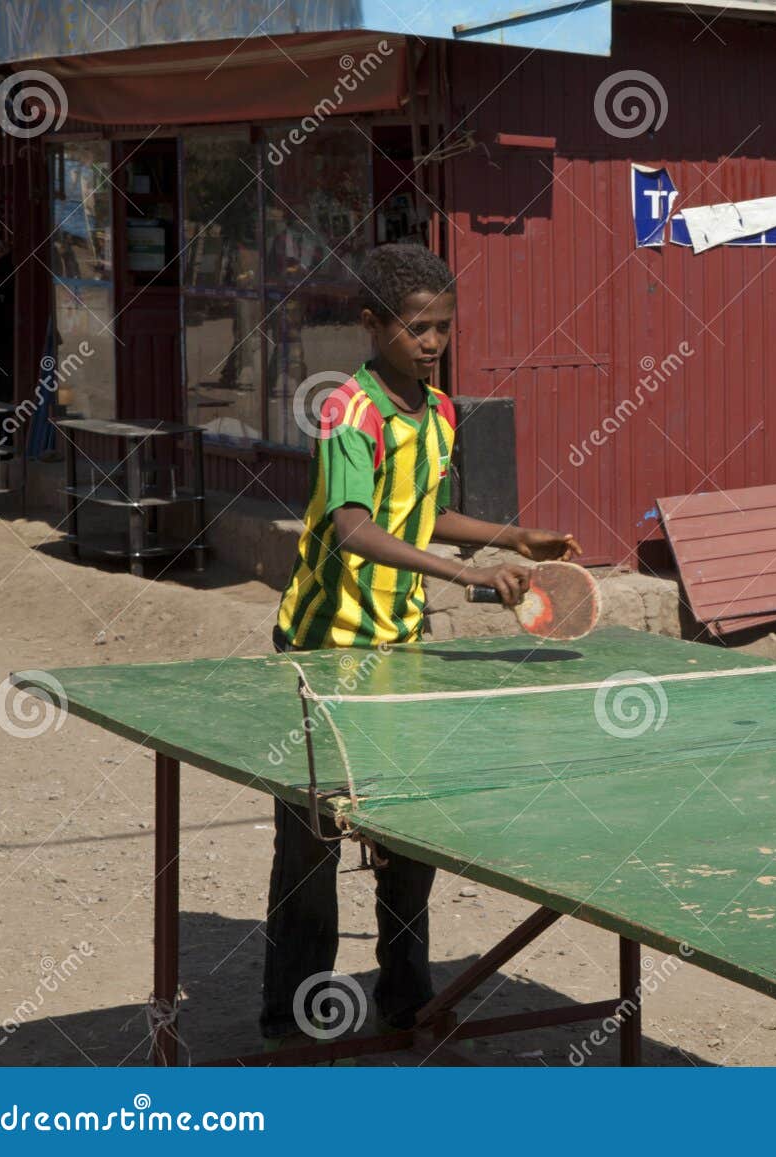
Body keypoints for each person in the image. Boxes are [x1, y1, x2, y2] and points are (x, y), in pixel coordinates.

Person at [263, 243, 581, 1046]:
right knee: (312, 846)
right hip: (322, 657)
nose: (433, 341)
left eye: (443, 326)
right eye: (416, 329)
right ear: (373, 326)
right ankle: (293, 1019)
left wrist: (518, 534)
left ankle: (409, 1002)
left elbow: (422, 512)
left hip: (400, 652)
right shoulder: (348, 410)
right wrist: (466, 579)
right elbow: (356, 526)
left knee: (410, 836)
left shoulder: (438, 412)